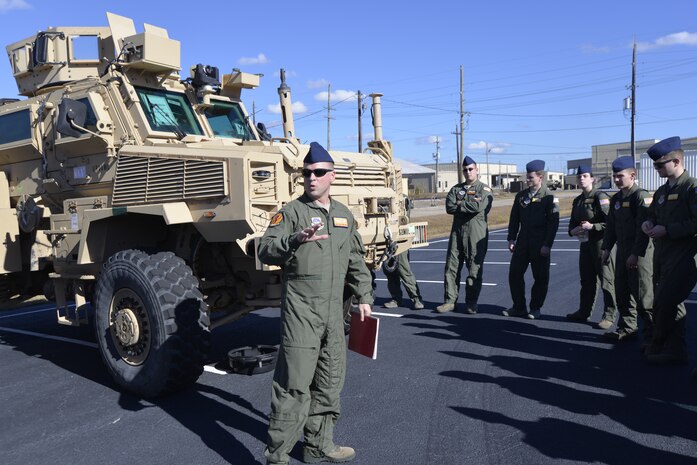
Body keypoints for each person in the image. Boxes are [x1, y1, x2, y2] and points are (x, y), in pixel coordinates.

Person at [258, 142, 373, 464]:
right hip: (301, 314)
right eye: (306, 173)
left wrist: (364, 295)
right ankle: (277, 457)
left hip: (335, 315)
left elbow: (355, 259)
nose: (311, 178)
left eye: (318, 173)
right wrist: (295, 239)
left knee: (329, 381)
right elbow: (265, 250)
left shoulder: (342, 216)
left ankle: (318, 445)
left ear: (331, 176)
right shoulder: (291, 212)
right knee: (293, 385)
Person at [641, 136, 697, 365]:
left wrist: (668, 230)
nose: (656, 169)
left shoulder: (691, 187)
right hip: (663, 253)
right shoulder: (663, 191)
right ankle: (671, 346)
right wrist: (648, 223)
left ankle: (665, 344)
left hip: (683, 254)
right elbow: (652, 214)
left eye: (659, 165)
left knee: (666, 300)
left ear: (675, 161)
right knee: (667, 301)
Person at [600, 156, 654, 342]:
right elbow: (611, 228)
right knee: (622, 291)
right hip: (623, 252)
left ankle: (652, 336)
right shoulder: (616, 199)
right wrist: (606, 248)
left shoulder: (640, 196)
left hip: (639, 254)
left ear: (633, 175)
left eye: (620, 176)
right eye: (614, 176)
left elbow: (643, 230)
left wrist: (635, 254)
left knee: (643, 296)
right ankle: (627, 328)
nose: (616, 180)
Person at [436, 155, 493, 314]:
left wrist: (460, 204)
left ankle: (471, 302)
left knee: (474, 269)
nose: (468, 172)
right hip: (457, 233)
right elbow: (449, 207)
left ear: (476, 170)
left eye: (471, 169)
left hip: (475, 234)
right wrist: (469, 203)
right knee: (451, 267)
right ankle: (449, 301)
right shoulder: (456, 189)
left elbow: (479, 206)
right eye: (465, 170)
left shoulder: (484, 189)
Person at [503, 159, 559, 319]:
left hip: (540, 243)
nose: (527, 180)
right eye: (527, 177)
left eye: (530, 178)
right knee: (514, 273)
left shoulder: (550, 197)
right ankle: (518, 306)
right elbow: (514, 219)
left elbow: (553, 224)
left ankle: (535, 307)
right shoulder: (521, 196)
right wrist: (511, 238)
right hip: (522, 242)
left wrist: (547, 245)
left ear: (540, 177)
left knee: (540, 277)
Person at [566, 165, 618, 328]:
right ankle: (584, 311)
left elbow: (611, 222)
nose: (582, 178)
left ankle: (609, 316)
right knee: (587, 280)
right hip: (585, 244)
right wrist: (572, 231)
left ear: (592, 179)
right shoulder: (578, 200)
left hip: (601, 244)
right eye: (579, 176)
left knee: (606, 280)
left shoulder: (600, 197)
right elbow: (572, 223)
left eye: (585, 176)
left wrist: (593, 226)